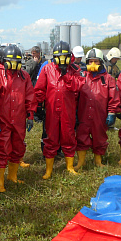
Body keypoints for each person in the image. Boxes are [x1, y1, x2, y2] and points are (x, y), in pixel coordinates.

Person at [0, 45, 37, 192]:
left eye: (17, 61)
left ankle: (12, 176)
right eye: (12, 61)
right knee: (2, 149)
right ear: (4, 60)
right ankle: (0, 182)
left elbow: (30, 96)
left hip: (19, 120)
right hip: (3, 120)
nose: (15, 64)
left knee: (18, 147)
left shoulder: (24, 76)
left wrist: (30, 116)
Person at [35, 41, 85, 179]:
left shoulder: (74, 70)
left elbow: (78, 86)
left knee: (69, 137)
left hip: (67, 111)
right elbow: (39, 89)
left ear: (70, 56)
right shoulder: (47, 69)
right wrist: (37, 105)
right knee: (50, 138)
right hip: (51, 111)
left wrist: (66, 74)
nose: (61, 60)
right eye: (59, 57)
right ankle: (48, 170)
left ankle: (69, 167)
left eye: (64, 57)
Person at [74, 48, 121, 170]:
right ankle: (81, 162)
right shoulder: (82, 77)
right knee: (81, 137)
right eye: (90, 62)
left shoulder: (108, 79)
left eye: (96, 62)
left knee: (99, 138)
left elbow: (113, 97)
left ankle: (98, 161)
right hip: (84, 115)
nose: (93, 64)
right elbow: (75, 95)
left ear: (101, 62)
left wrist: (111, 112)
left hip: (99, 116)